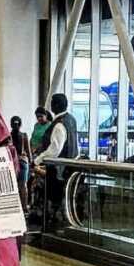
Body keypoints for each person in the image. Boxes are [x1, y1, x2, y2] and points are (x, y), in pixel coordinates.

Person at [33, 93, 79, 223]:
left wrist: (37, 160)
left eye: (52, 102)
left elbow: (54, 150)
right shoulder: (72, 120)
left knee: (54, 199)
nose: (50, 105)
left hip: (58, 171)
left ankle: (52, 225)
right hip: (70, 167)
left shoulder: (59, 125)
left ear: (56, 105)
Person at [10, 115, 32, 214]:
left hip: (13, 162)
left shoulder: (8, 136)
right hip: (23, 161)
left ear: (11, 125)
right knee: (23, 185)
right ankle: (24, 208)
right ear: (20, 125)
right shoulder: (24, 136)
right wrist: (31, 162)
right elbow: (28, 151)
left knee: (13, 186)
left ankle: (14, 207)